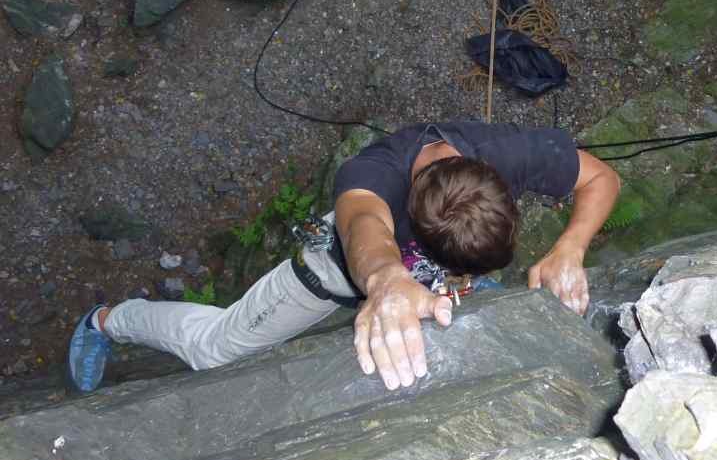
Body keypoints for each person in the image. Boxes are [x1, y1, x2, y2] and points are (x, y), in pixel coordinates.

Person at [67, 122, 620, 393]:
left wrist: (569, 248)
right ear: (417, 229)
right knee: (215, 349)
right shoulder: (370, 178)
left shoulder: (509, 157)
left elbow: (600, 176)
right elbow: (364, 229)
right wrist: (385, 282)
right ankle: (109, 322)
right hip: (333, 273)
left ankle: (449, 285)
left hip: (415, 276)